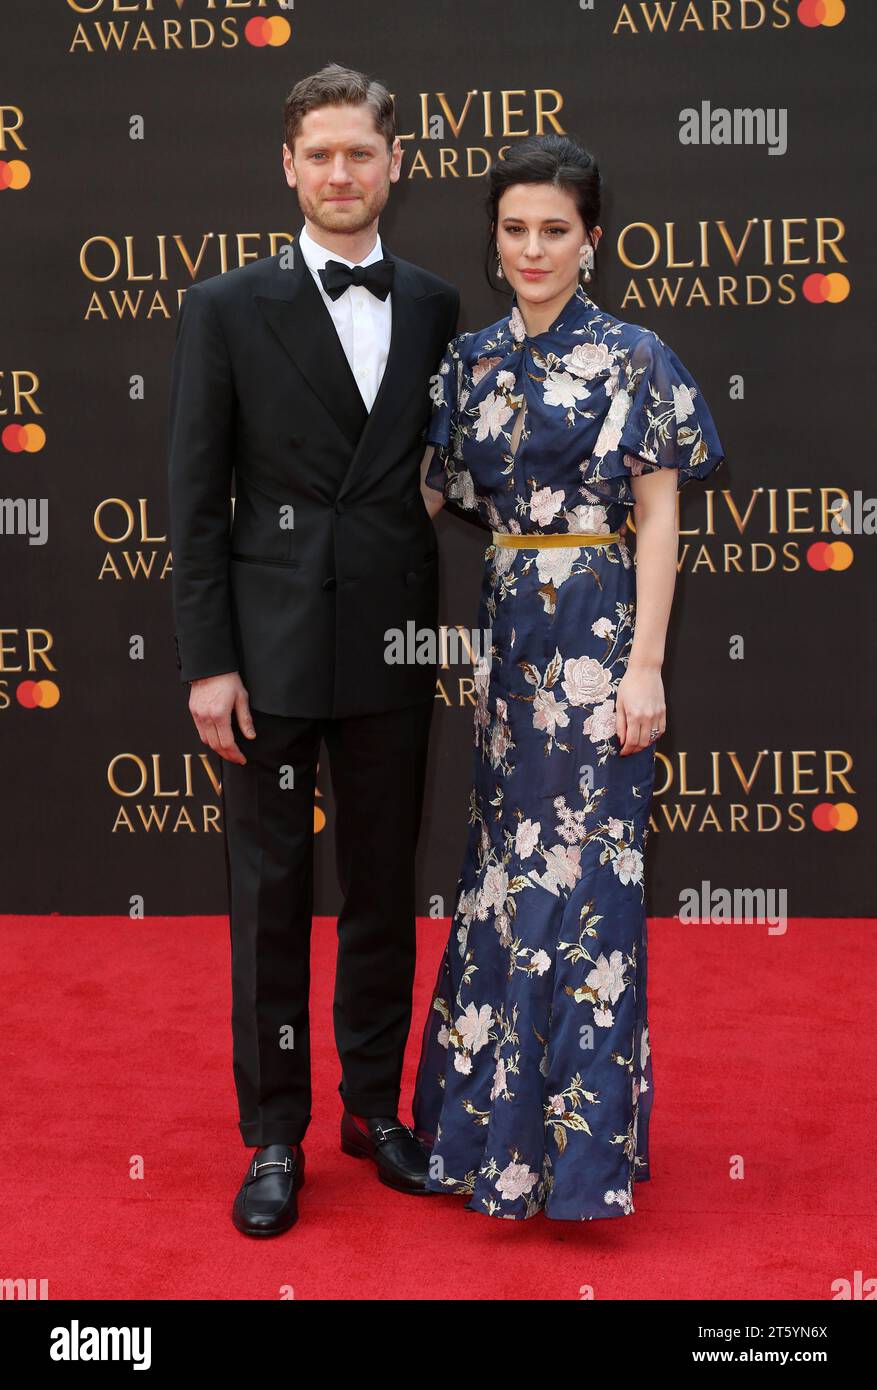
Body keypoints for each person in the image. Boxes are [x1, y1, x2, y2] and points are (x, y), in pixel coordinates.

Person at [167, 63, 459, 1237]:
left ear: (396, 165)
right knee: (273, 899)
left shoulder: (436, 303)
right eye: (320, 154)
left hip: (390, 641)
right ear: (288, 167)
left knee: (384, 889)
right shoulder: (224, 308)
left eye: (362, 153)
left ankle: (373, 1109)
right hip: (272, 653)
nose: (342, 173)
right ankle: (274, 1133)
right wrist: (207, 660)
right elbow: (195, 498)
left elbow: (444, 464)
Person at [411, 134, 726, 1221]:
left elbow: (658, 518)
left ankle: (574, 1159)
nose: (533, 248)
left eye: (555, 229)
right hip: (509, 646)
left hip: (598, 643)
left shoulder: (637, 356)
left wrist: (644, 668)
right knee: (502, 880)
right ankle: (487, 1144)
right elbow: (427, 496)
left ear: (591, 240)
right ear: (493, 242)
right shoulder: (469, 362)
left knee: (584, 888)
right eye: (514, 229)